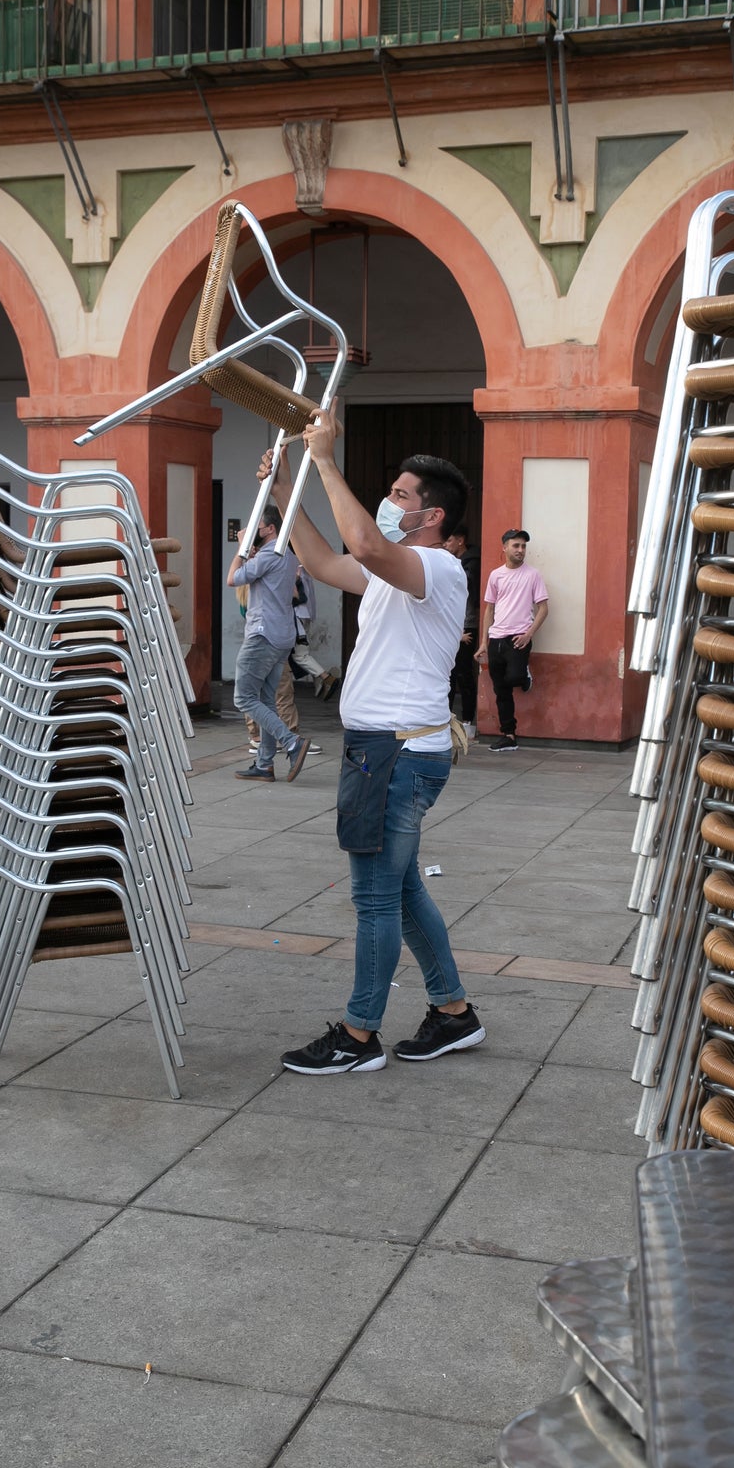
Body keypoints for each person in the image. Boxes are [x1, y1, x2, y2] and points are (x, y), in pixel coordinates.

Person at [261, 404, 485, 1075]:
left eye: (398, 495)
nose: (390, 503)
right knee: (403, 888)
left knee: (376, 897)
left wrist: (325, 459)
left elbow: (361, 545)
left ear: (432, 515)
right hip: (386, 750)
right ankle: (453, 1012)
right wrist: (286, 492)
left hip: (394, 754)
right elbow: (329, 561)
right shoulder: (398, 575)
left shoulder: (439, 569)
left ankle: (358, 1036)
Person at [226, 505, 310, 783]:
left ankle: (292, 743)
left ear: (270, 529)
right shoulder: (287, 555)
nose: (251, 532)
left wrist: (241, 548)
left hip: (263, 634)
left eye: (255, 527)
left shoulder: (269, 554)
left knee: (244, 697)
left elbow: (233, 579)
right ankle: (264, 764)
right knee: (266, 700)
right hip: (282, 634)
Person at [476, 528, 549, 752]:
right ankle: (509, 735)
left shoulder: (532, 575)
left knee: (515, 677)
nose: (520, 550)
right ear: (505, 547)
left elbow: (543, 609)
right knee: (501, 691)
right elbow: (490, 609)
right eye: (516, 546)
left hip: (519, 638)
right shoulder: (496, 575)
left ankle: (524, 676)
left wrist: (529, 634)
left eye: (523, 546)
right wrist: (483, 643)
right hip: (496, 638)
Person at [445, 526, 480, 739]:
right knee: (447, 675)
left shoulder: (470, 564)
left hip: (467, 625)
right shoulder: (452, 561)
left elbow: (465, 588)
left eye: (449, 540)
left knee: (464, 674)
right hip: (451, 624)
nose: (445, 544)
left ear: (460, 541)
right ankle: (446, 719)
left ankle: (468, 722)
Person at [291, 566, 339, 701]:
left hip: (295, 615)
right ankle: (319, 679)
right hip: (304, 614)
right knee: (300, 652)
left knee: (299, 654)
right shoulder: (305, 569)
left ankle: (325, 678)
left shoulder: (295, 569)